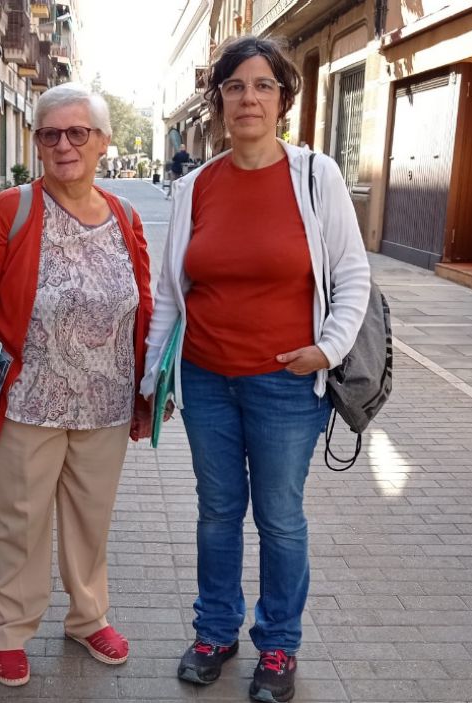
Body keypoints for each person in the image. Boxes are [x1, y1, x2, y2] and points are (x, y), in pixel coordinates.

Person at [141, 36, 372, 703]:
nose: (248, 98)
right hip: (207, 376)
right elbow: (170, 289)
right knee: (217, 511)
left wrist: (326, 349)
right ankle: (215, 631)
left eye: (262, 86)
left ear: (283, 100)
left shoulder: (314, 175)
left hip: (287, 382)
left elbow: (352, 272)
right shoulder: (193, 187)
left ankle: (279, 645)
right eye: (235, 87)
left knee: (279, 515)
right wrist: (156, 375)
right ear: (217, 102)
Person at [0, 82, 154, 688]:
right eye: (50, 134)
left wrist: (146, 390)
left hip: (106, 402)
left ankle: (88, 617)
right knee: (22, 520)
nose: (63, 145)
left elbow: (144, 304)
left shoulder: (126, 218)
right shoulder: (10, 211)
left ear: (102, 142)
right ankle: (10, 629)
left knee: (92, 519)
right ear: (37, 143)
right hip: (24, 402)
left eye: (77, 133)